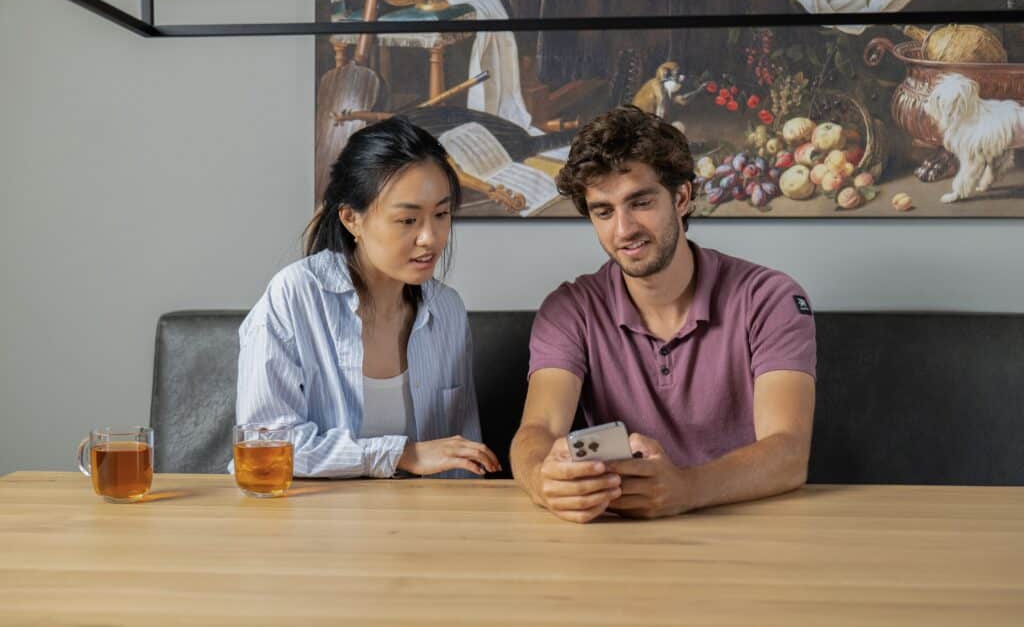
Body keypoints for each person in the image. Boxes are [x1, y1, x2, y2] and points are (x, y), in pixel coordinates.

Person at [510, 105, 816, 522]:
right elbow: (536, 432)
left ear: (682, 197)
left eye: (640, 202)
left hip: (749, 527)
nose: (624, 229)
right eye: (604, 211)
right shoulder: (569, 309)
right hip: (619, 534)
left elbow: (788, 452)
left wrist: (685, 489)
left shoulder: (769, 298)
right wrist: (543, 481)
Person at [236, 117, 499, 479]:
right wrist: (399, 455)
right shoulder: (295, 296)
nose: (431, 237)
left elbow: (462, 460)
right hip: (312, 523)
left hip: (427, 525)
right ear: (351, 219)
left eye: (441, 214)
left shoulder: (447, 309)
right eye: (408, 220)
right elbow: (262, 447)